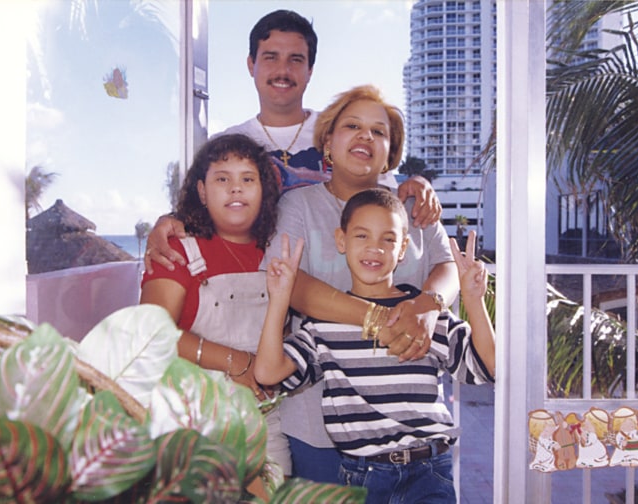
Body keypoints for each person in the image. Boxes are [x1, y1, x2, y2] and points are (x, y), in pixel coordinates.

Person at [258, 84, 461, 483]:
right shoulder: (298, 206)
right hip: (321, 424)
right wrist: (381, 319)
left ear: (391, 152)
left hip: (413, 430)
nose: (366, 136)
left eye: (379, 131)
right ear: (328, 142)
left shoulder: (411, 206)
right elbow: (290, 285)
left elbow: (447, 265)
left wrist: (427, 305)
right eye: (352, 126)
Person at [144, 9, 442, 274]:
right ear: (251, 64)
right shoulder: (229, 145)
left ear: (310, 70)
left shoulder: (342, 131)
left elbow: (382, 193)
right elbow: (198, 211)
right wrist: (167, 222)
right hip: (254, 291)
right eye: (270, 57)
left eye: (295, 60)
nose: (282, 71)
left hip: (336, 286)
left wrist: (416, 184)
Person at [255, 190, 495, 503]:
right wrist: (279, 299)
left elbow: (488, 367)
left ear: (403, 248)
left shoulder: (422, 316)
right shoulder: (324, 324)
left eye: (388, 239)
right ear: (341, 241)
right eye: (362, 235)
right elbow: (268, 372)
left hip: (429, 473)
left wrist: (474, 301)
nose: (374, 248)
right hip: (360, 478)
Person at [138, 133, 291, 477]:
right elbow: (151, 333)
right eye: (223, 179)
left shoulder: (278, 252)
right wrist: (237, 363)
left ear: (263, 190)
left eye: (247, 179)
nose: (236, 189)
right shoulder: (177, 250)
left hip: (268, 426)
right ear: (202, 191)